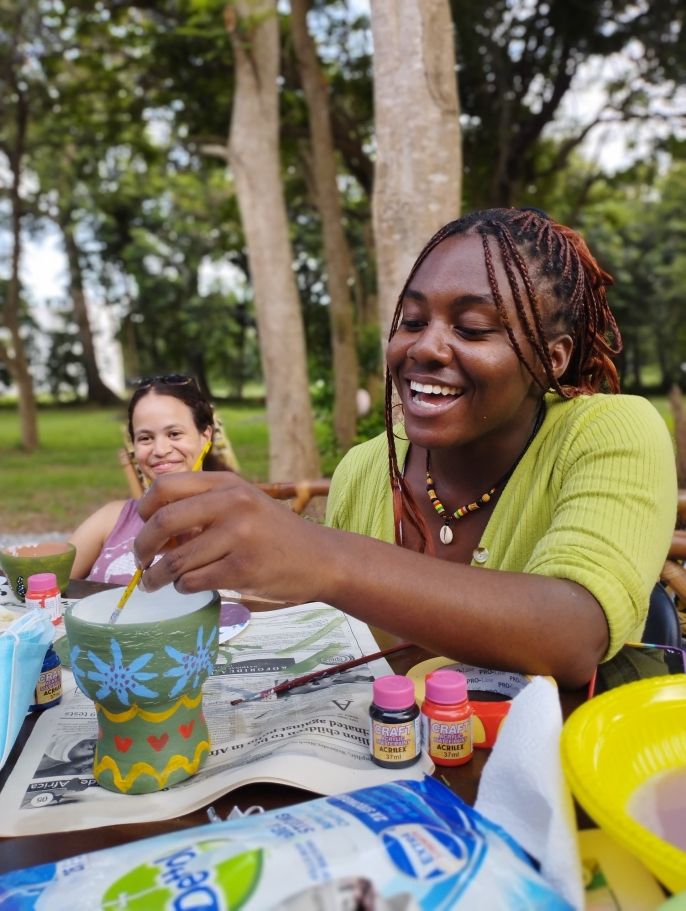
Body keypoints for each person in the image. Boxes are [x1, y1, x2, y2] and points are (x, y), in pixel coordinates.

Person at [131, 209, 677, 688]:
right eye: (413, 321)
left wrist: (321, 555)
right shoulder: (367, 469)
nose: (426, 346)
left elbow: (573, 632)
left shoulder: (609, 430)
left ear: (553, 358)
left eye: (473, 327)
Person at [70, 375, 227, 584]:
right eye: (145, 438)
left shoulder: (238, 517)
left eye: (174, 434)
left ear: (205, 436)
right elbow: (42, 585)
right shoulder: (112, 519)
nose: (160, 450)